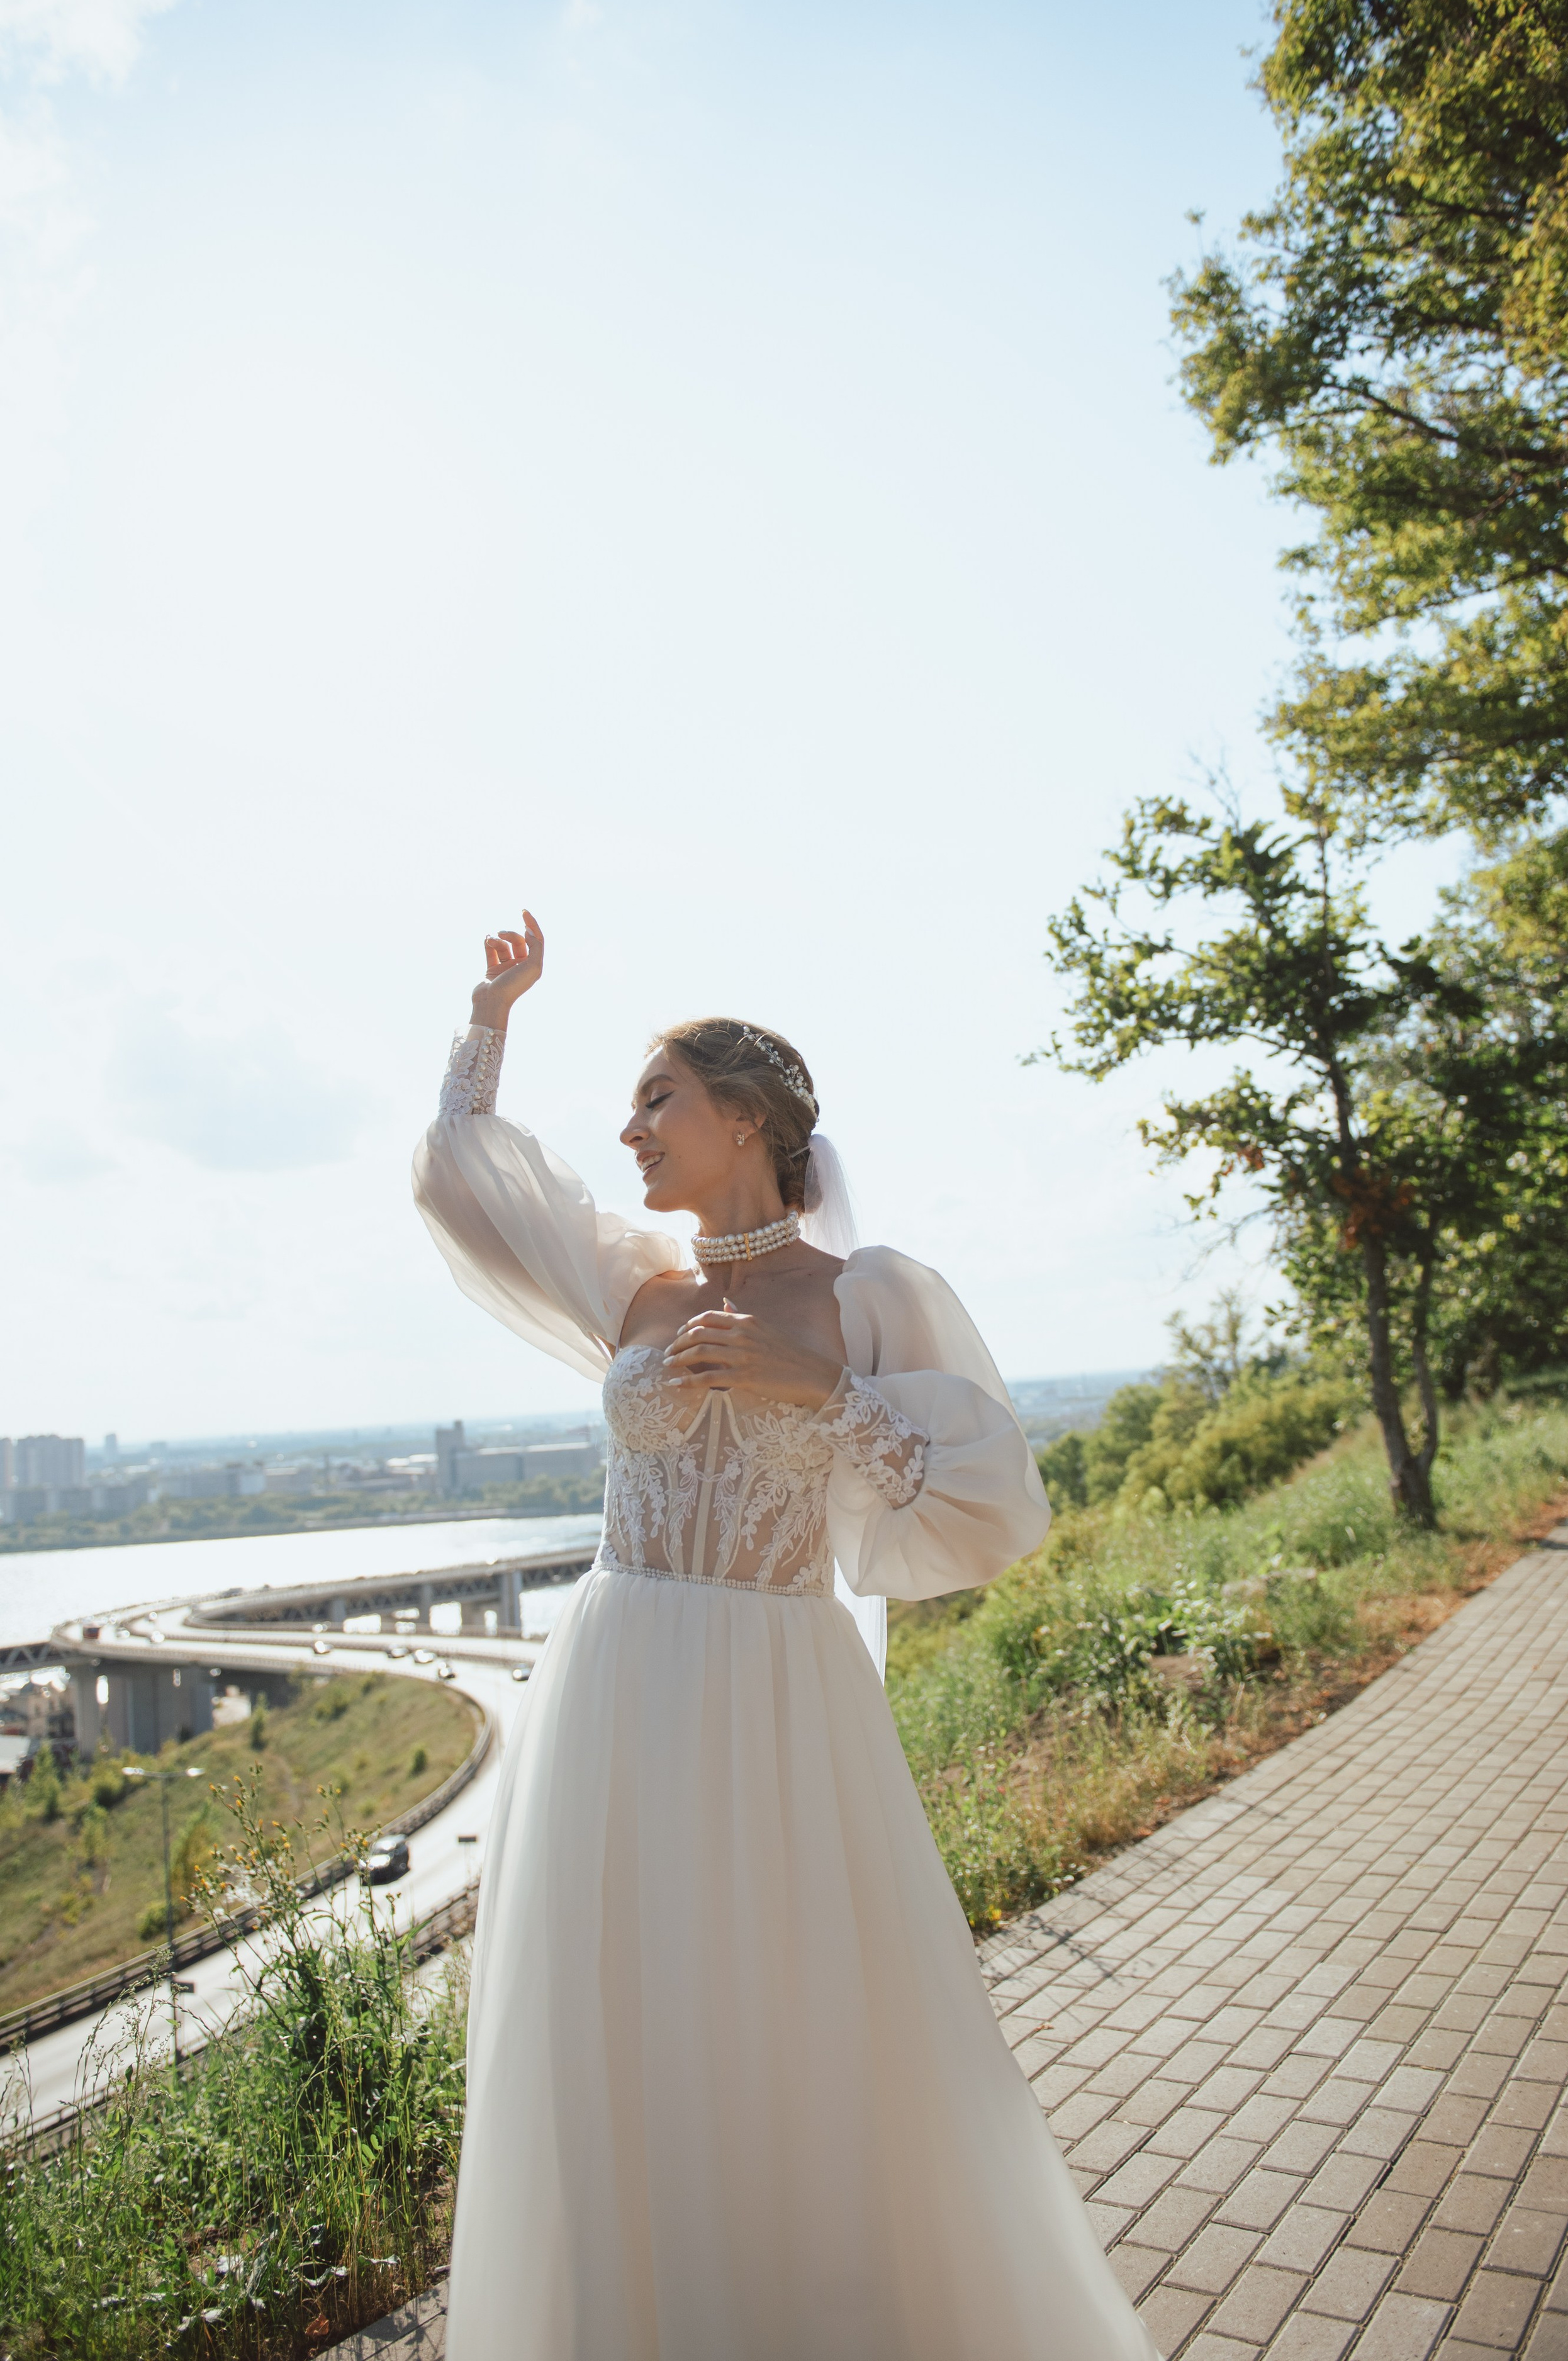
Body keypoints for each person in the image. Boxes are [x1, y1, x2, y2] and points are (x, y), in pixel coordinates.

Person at [413, 911, 1158, 2361]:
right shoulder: (635, 1285)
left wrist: (820, 1393)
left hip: (775, 1689)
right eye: (629, 1104)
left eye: (656, 1099)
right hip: (614, 1683)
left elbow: (991, 1503)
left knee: (788, 2024)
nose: (626, 1131)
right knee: (614, 2029)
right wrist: (490, 1015)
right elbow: (461, 1182)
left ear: (744, 1115)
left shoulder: (865, 1295)